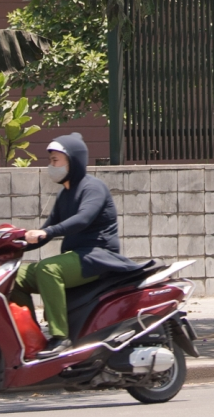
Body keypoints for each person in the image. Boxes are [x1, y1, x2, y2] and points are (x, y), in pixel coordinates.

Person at [12, 134, 143, 355]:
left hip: (97, 257)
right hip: (76, 258)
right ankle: (32, 337)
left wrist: (45, 231)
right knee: (14, 276)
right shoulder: (65, 194)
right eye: (51, 161)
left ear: (73, 161)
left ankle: (60, 338)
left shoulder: (92, 188)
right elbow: (47, 232)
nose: (51, 166)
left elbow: (82, 219)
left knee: (48, 268)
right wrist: (14, 246)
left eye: (55, 161)